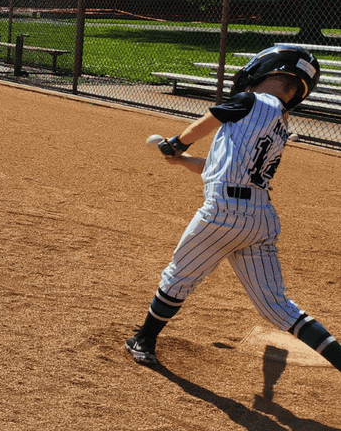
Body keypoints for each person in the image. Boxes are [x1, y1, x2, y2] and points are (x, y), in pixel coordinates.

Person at [125, 44, 341, 373]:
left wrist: (177, 143)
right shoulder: (280, 120)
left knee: (178, 277)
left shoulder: (250, 101)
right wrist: (182, 161)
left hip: (224, 213)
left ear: (268, 70)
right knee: (278, 306)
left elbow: (208, 120)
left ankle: (143, 340)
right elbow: (217, 165)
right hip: (259, 219)